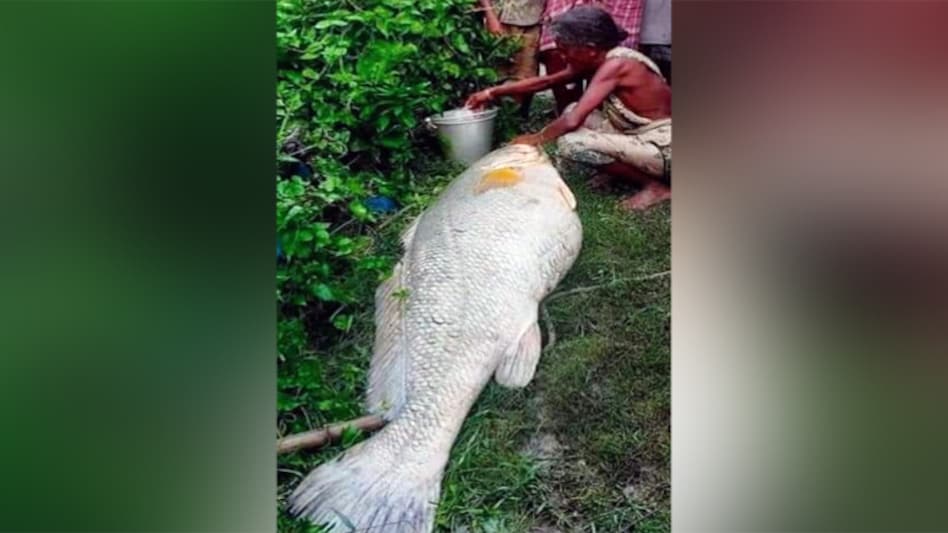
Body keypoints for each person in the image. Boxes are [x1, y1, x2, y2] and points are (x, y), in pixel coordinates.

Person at [465, 5, 671, 211]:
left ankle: (655, 187)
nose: (562, 56)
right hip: (637, 133)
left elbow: (573, 120)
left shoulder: (618, 65)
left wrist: (535, 139)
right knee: (572, 109)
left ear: (590, 48)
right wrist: (491, 92)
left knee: (573, 143)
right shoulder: (599, 58)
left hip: (664, 146)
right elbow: (546, 82)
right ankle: (616, 172)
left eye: (565, 50)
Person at [538, 0, 645, 115]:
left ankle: (593, 112)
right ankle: (568, 111)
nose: (564, 56)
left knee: (605, 65)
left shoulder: (618, 63)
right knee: (558, 50)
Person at [477, 0, 546, 117]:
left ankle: (518, 116)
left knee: (526, 73)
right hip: (500, 18)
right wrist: (490, 14)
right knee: (497, 73)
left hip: (532, 19)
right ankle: (500, 117)